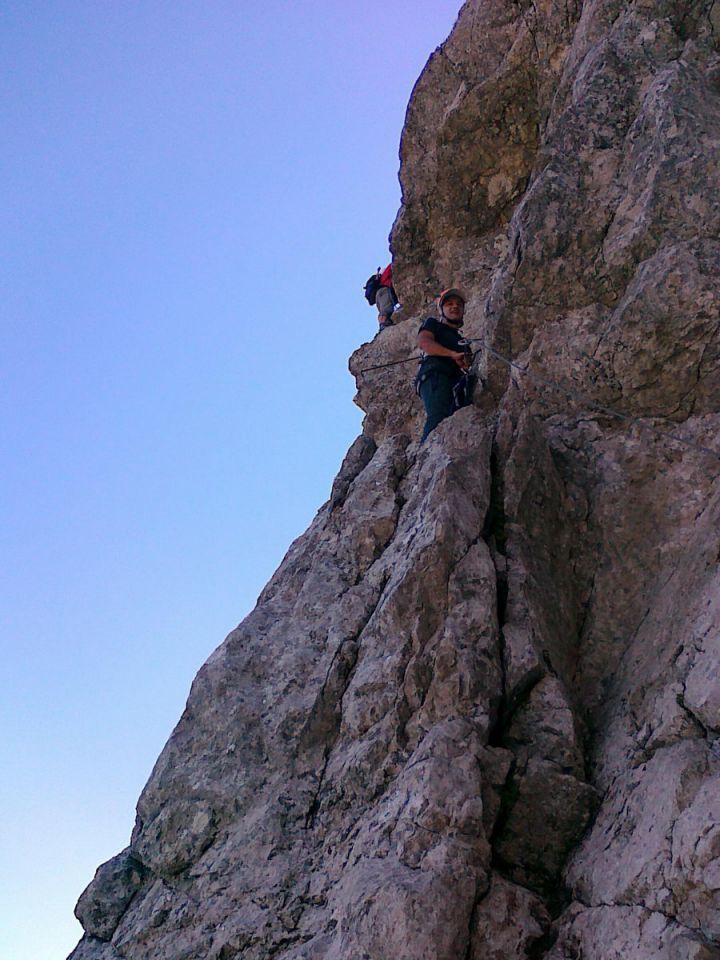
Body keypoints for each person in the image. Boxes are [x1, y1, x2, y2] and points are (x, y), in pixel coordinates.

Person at [416, 288, 472, 442]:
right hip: (434, 374)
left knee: (454, 419)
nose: (455, 306)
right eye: (449, 304)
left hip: (455, 381)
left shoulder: (463, 341)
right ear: (441, 309)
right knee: (438, 415)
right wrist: (452, 354)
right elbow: (424, 343)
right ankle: (425, 457)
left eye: (459, 304)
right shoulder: (433, 324)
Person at [376, 263, 398, 330]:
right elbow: (393, 264)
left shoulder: (380, 279)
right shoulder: (386, 272)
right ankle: (384, 326)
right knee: (387, 310)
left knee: (384, 310)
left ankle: (383, 326)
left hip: (378, 295)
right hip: (384, 291)